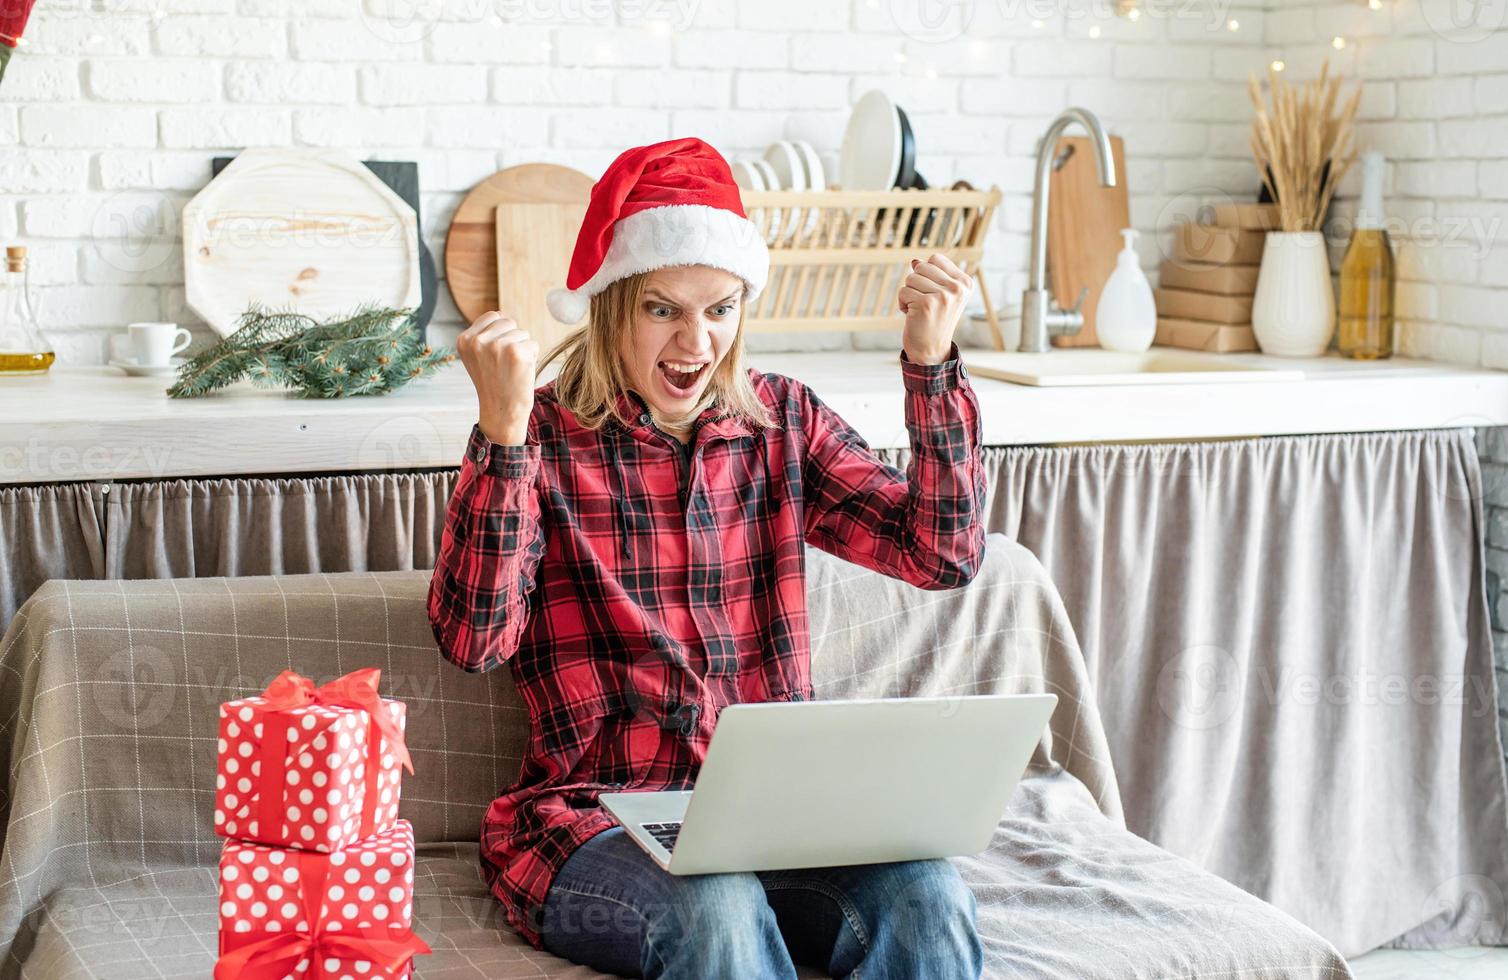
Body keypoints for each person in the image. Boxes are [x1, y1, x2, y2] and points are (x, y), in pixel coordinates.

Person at [429, 136, 988, 979]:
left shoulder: (782, 421)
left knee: (930, 895)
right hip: (595, 821)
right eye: (664, 309)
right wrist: (502, 437)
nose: (698, 341)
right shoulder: (541, 435)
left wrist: (930, 363)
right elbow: (475, 642)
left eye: (720, 308)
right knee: (716, 903)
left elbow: (942, 555)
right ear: (613, 303)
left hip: (773, 816)